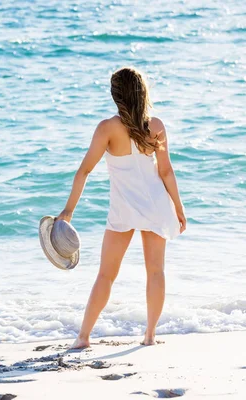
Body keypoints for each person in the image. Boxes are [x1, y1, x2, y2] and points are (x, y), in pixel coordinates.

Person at [56, 66, 187, 349]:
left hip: (123, 209)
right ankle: (149, 337)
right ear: (142, 93)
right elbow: (166, 172)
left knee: (106, 274)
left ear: (116, 96)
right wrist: (178, 206)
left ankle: (83, 337)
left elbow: (84, 172)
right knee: (156, 271)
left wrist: (69, 210)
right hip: (155, 205)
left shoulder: (106, 129)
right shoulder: (156, 126)